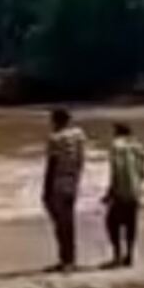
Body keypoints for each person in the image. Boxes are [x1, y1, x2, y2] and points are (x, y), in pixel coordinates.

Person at [42, 108, 87, 272]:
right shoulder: (79, 136)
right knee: (68, 221)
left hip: (58, 182)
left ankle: (66, 260)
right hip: (73, 180)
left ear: (56, 121)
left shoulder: (55, 138)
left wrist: (46, 189)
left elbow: (51, 165)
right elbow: (81, 160)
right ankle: (70, 259)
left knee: (61, 224)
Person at [103, 123, 144, 268]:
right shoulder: (138, 146)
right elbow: (143, 173)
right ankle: (130, 255)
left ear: (118, 133)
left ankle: (117, 255)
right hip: (135, 191)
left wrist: (110, 192)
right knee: (131, 224)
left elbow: (117, 170)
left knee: (111, 223)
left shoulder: (116, 146)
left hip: (121, 190)